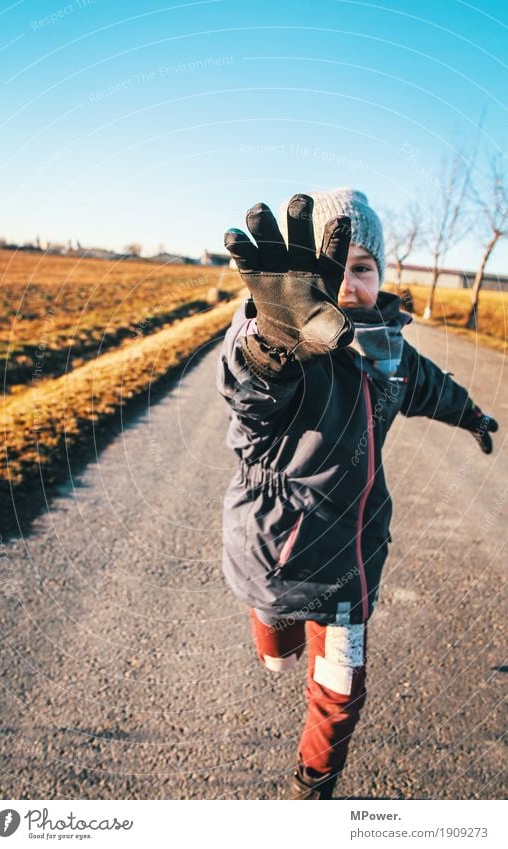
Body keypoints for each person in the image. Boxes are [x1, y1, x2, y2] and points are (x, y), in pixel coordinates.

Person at [216, 188, 498, 800]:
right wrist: (273, 340)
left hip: (351, 561)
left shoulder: (391, 353)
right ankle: (277, 637)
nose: (347, 283)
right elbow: (248, 392)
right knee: (278, 648)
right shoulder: (284, 349)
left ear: (381, 277)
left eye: (363, 268)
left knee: (340, 687)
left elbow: (431, 387)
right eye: (331, 268)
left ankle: (313, 787)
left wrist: (472, 416)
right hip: (275, 549)